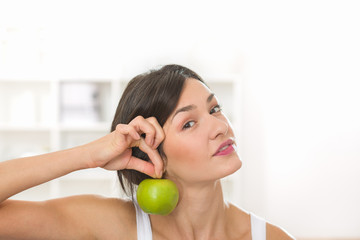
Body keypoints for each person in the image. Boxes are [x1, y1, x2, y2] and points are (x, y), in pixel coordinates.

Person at [0, 64, 294, 239]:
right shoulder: (115, 227)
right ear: (156, 154)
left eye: (214, 108)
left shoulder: (269, 237)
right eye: (189, 123)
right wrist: (87, 155)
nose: (219, 126)